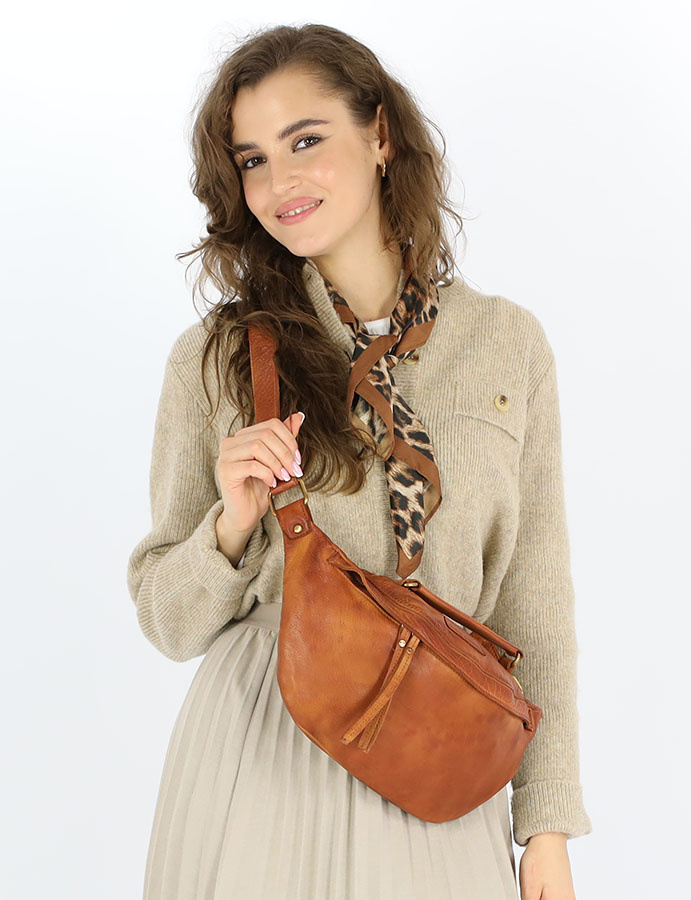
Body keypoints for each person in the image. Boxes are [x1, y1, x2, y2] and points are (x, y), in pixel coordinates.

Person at [126, 22, 592, 900]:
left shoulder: (507, 344)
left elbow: (536, 603)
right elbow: (166, 620)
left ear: (380, 136)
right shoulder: (217, 357)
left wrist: (547, 827)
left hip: (442, 761)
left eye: (305, 141)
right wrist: (229, 527)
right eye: (253, 159)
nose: (280, 182)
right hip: (262, 758)